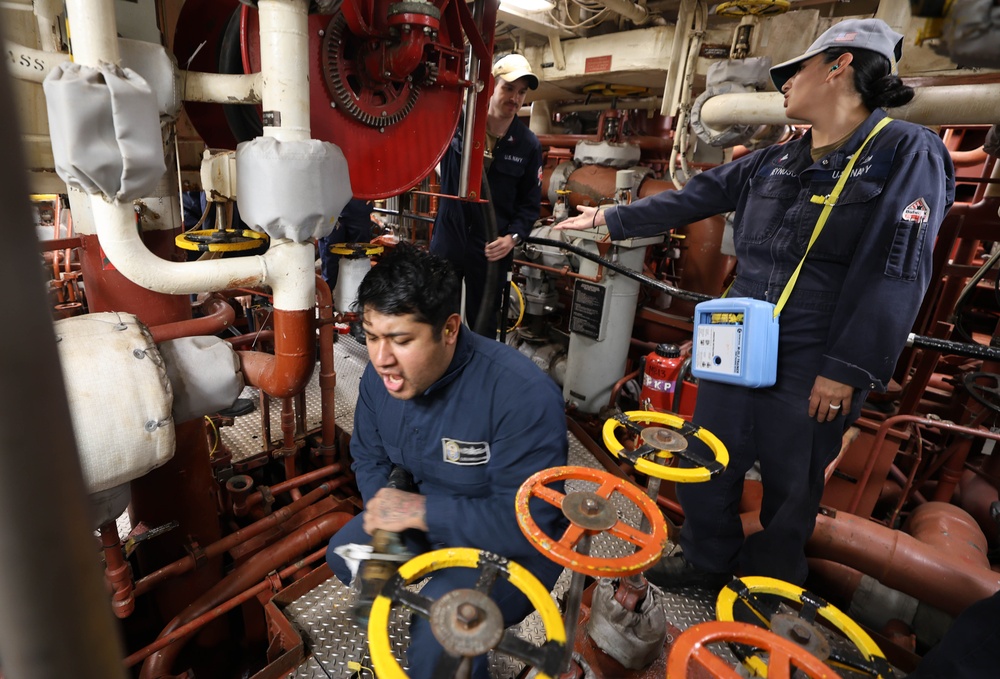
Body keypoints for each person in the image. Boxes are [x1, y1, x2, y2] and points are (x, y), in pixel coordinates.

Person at [557, 18, 955, 588]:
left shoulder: (905, 150)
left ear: (838, 66)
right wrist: (606, 216)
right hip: (740, 327)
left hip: (817, 346)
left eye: (794, 72)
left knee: (793, 481)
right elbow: (694, 198)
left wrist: (846, 368)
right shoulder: (777, 158)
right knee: (709, 452)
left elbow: (897, 268)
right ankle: (704, 556)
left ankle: (770, 584)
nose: (785, 85)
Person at [325, 243, 568, 678]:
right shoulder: (380, 379)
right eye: (372, 335)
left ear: (450, 329)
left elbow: (530, 523)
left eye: (400, 340)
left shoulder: (522, 395)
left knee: (440, 637)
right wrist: (382, 509)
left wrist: (419, 510)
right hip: (425, 517)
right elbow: (368, 454)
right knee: (345, 556)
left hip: (512, 545)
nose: (381, 359)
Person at [430, 53, 543, 337]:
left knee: (484, 326)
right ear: (490, 86)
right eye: (508, 88)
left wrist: (512, 239)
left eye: (521, 93)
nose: (515, 98)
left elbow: (529, 207)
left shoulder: (528, 145)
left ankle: (477, 377)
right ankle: (441, 376)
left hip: (492, 248)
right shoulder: (457, 123)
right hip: (449, 238)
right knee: (438, 316)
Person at [318, 197, 375, 289]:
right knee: (330, 259)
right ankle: (328, 298)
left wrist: (374, 193)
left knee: (359, 260)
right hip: (331, 209)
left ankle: (357, 297)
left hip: (359, 207)